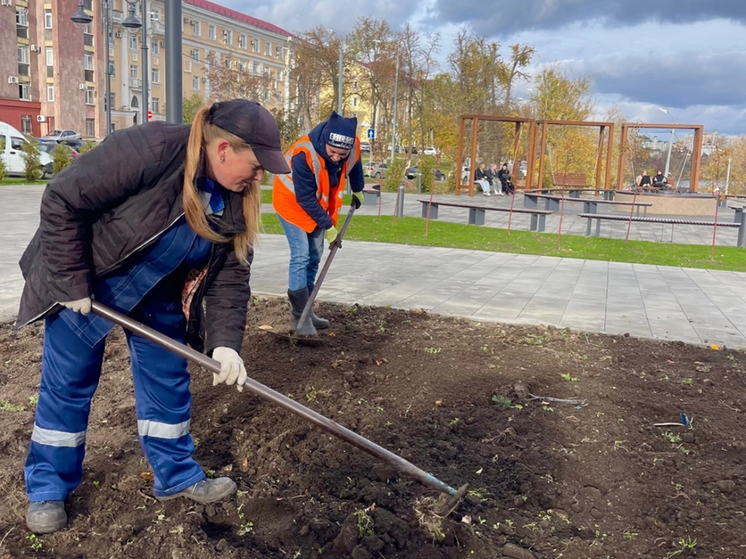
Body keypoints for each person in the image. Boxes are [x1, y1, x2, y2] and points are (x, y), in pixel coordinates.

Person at [16, 99, 291, 534]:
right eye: (256, 166)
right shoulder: (152, 149)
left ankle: (176, 476)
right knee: (69, 384)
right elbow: (63, 198)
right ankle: (48, 487)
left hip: (158, 287)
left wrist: (226, 344)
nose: (261, 177)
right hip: (92, 279)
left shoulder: (236, 199)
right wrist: (71, 281)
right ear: (223, 151)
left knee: (168, 379)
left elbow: (230, 279)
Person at [273, 111, 365, 336]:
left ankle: (308, 310)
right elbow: (304, 198)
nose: (336, 157)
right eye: (332, 152)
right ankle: (299, 316)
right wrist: (328, 226)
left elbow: (355, 165)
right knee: (301, 255)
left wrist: (359, 188)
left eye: (341, 154)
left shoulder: (351, 148)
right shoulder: (304, 154)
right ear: (325, 141)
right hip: (291, 204)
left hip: (315, 208)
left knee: (315, 256)